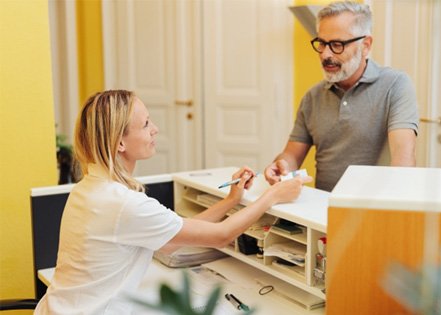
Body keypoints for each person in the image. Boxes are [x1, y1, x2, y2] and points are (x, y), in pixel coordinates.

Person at [34, 90, 312, 314]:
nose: (155, 129)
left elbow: (172, 238)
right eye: (145, 124)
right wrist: (272, 196)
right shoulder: (123, 204)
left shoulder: (91, 189)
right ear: (120, 143)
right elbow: (220, 236)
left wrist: (231, 200)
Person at [264, 1, 418, 192]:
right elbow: (292, 156)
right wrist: (280, 167)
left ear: (366, 45)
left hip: (374, 210)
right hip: (321, 209)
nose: (325, 54)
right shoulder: (312, 97)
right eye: (321, 43)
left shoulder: (395, 85)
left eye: (337, 44)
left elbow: (403, 159)